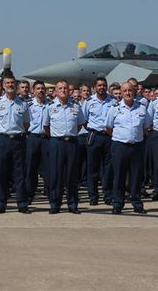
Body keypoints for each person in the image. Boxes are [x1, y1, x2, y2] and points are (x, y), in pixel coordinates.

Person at [105, 82, 148, 214]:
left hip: (136, 146)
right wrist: (121, 137)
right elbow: (108, 128)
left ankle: (136, 202)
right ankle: (118, 203)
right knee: (119, 176)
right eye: (125, 91)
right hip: (120, 146)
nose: (128, 93)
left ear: (134, 92)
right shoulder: (114, 109)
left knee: (136, 176)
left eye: (130, 90)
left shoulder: (141, 108)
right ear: (121, 93)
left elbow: (146, 127)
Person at [44, 80, 87, 214]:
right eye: (60, 88)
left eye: (65, 88)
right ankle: (55, 204)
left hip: (72, 143)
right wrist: (57, 137)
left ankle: (72, 204)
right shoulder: (50, 107)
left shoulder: (76, 106)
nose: (63, 90)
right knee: (56, 175)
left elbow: (80, 124)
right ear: (55, 91)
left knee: (72, 175)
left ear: (69, 91)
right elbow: (46, 127)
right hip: (56, 143)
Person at [0, 76, 30, 214]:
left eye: (12, 83)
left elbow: (26, 124)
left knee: (20, 173)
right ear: (3, 85)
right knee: (1, 173)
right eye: (7, 83)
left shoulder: (23, 104)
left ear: (16, 86)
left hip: (18, 140)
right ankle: (0, 204)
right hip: (2, 140)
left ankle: (22, 204)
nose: (10, 85)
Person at [83, 77, 116, 207]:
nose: (101, 88)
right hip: (94, 136)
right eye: (99, 85)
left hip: (108, 136)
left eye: (104, 85)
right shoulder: (89, 102)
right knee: (93, 168)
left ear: (106, 87)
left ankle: (108, 196)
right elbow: (84, 120)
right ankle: (93, 196)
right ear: (95, 88)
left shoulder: (113, 101)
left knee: (108, 168)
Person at [26, 80, 49, 204]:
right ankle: (29, 194)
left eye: (42, 88)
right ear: (33, 91)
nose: (40, 90)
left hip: (46, 139)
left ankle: (50, 193)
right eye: (38, 88)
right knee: (31, 168)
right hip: (33, 138)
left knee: (48, 168)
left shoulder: (50, 105)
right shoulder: (28, 105)